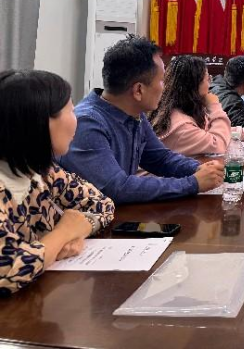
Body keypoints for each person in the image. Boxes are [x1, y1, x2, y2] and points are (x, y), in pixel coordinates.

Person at [59, 36, 225, 204]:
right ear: (138, 90)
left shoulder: (133, 112)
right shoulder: (88, 123)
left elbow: (160, 158)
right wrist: (193, 183)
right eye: (162, 80)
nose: (165, 87)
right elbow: (117, 188)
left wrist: (198, 169)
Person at [0, 70, 115, 295]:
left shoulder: (43, 171)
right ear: (39, 122)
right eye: (70, 110)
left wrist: (79, 229)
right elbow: (9, 270)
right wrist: (63, 233)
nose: (76, 119)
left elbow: (101, 204)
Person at [150, 55, 244, 156]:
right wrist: (214, 106)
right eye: (208, 79)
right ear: (194, 85)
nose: (210, 85)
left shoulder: (185, 109)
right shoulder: (181, 125)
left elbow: (207, 131)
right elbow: (218, 144)